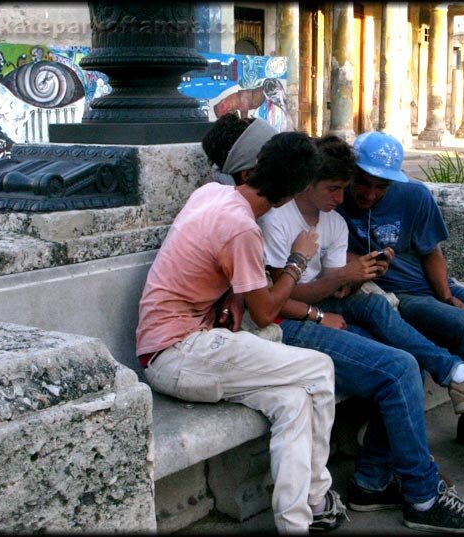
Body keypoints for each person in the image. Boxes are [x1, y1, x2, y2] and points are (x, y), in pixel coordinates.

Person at [257, 135, 464, 533]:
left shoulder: (333, 222)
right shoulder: (278, 220)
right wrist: (326, 300)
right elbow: (270, 304)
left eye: (344, 188)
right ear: (307, 183)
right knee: (400, 366)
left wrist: (362, 273)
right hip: (288, 323)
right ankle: (424, 496)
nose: (343, 198)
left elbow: (337, 287)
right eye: (334, 189)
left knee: (398, 345)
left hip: (323, 309)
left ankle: (373, 481)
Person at [136, 116, 346, 534]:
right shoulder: (243, 231)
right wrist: (298, 259)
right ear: (291, 196)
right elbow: (266, 312)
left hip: (179, 348)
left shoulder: (212, 193)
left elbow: (223, 269)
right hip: (180, 353)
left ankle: (295, 523)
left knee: (293, 402)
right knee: (321, 369)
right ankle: (318, 495)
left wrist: (231, 295)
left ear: (256, 167)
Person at [336, 131, 464, 495]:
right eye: (363, 183)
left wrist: (445, 294)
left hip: (435, 284)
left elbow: (432, 253)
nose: (369, 194)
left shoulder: (414, 195)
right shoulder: (336, 197)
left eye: (381, 187)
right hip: (395, 296)